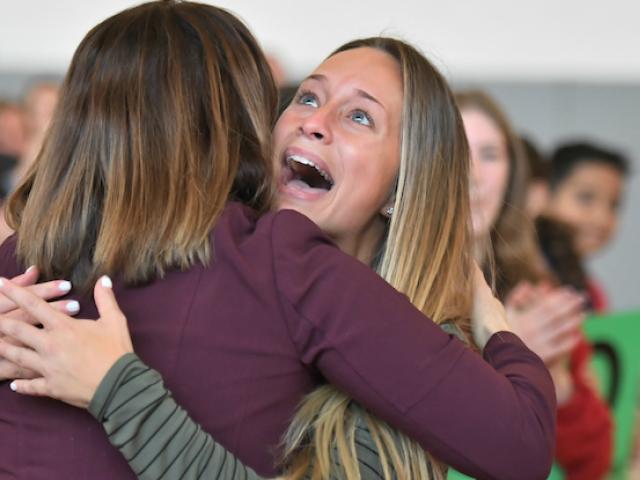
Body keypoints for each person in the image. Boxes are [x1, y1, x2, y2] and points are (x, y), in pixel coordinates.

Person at [0, 3, 555, 479]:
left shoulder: (291, 270)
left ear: (403, 183)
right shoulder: (262, 260)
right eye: (307, 99)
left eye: (361, 116)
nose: (316, 123)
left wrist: (495, 329)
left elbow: (520, 446)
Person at [457, 90, 613, 480]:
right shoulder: (388, 284)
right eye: (456, 148)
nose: (474, 174)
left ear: (514, 176)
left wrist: (556, 381)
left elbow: (593, 461)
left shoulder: (537, 293)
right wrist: (508, 352)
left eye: (491, 154)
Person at [545, 142, 629, 312]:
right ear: (543, 194)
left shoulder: (593, 292)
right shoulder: (525, 281)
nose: (602, 218)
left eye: (613, 205)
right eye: (586, 198)